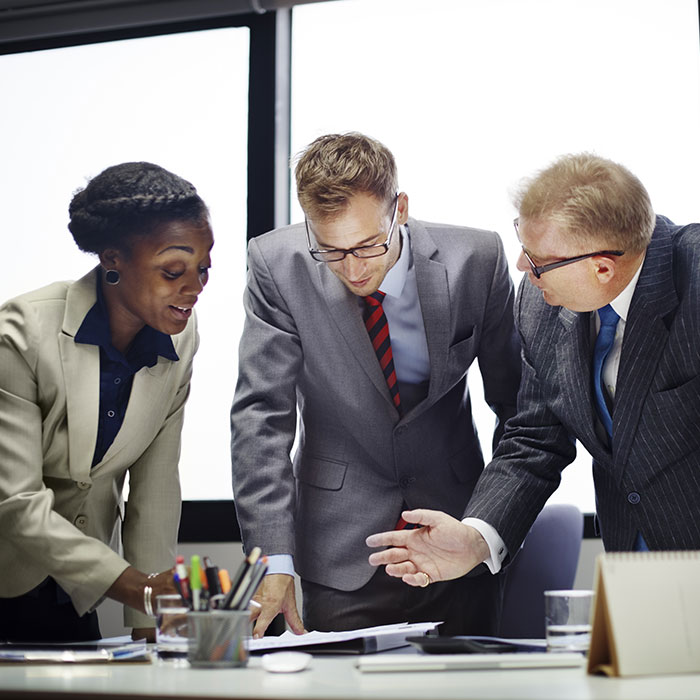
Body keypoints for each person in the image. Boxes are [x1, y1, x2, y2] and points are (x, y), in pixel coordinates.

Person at [231, 132, 520, 637]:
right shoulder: (276, 265)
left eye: (368, 245)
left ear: (400, 209)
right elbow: (261, 419)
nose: (354, 267)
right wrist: (275, 560)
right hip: (341, 553)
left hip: (458, 543)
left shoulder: (478, 259)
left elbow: (519, 411)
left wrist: (484, 527)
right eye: (332, 251)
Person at [366, 152, 700, 588]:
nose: (523, 267)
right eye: (523, 246)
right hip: (637, 570)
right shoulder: (542, 305)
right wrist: (476, 537)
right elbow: (534, 438)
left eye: (538, 259)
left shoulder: (692, 276)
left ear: (602, 267)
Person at [0, 162, 213, 642]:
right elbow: (16, 502)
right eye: (174, 270)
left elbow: (155, 493)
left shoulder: (180, 339)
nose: (195, 287)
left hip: (75, 592)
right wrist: (139, 589)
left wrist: (151, 630)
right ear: (113, 259)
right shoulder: (23, 330)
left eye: (204, 268)